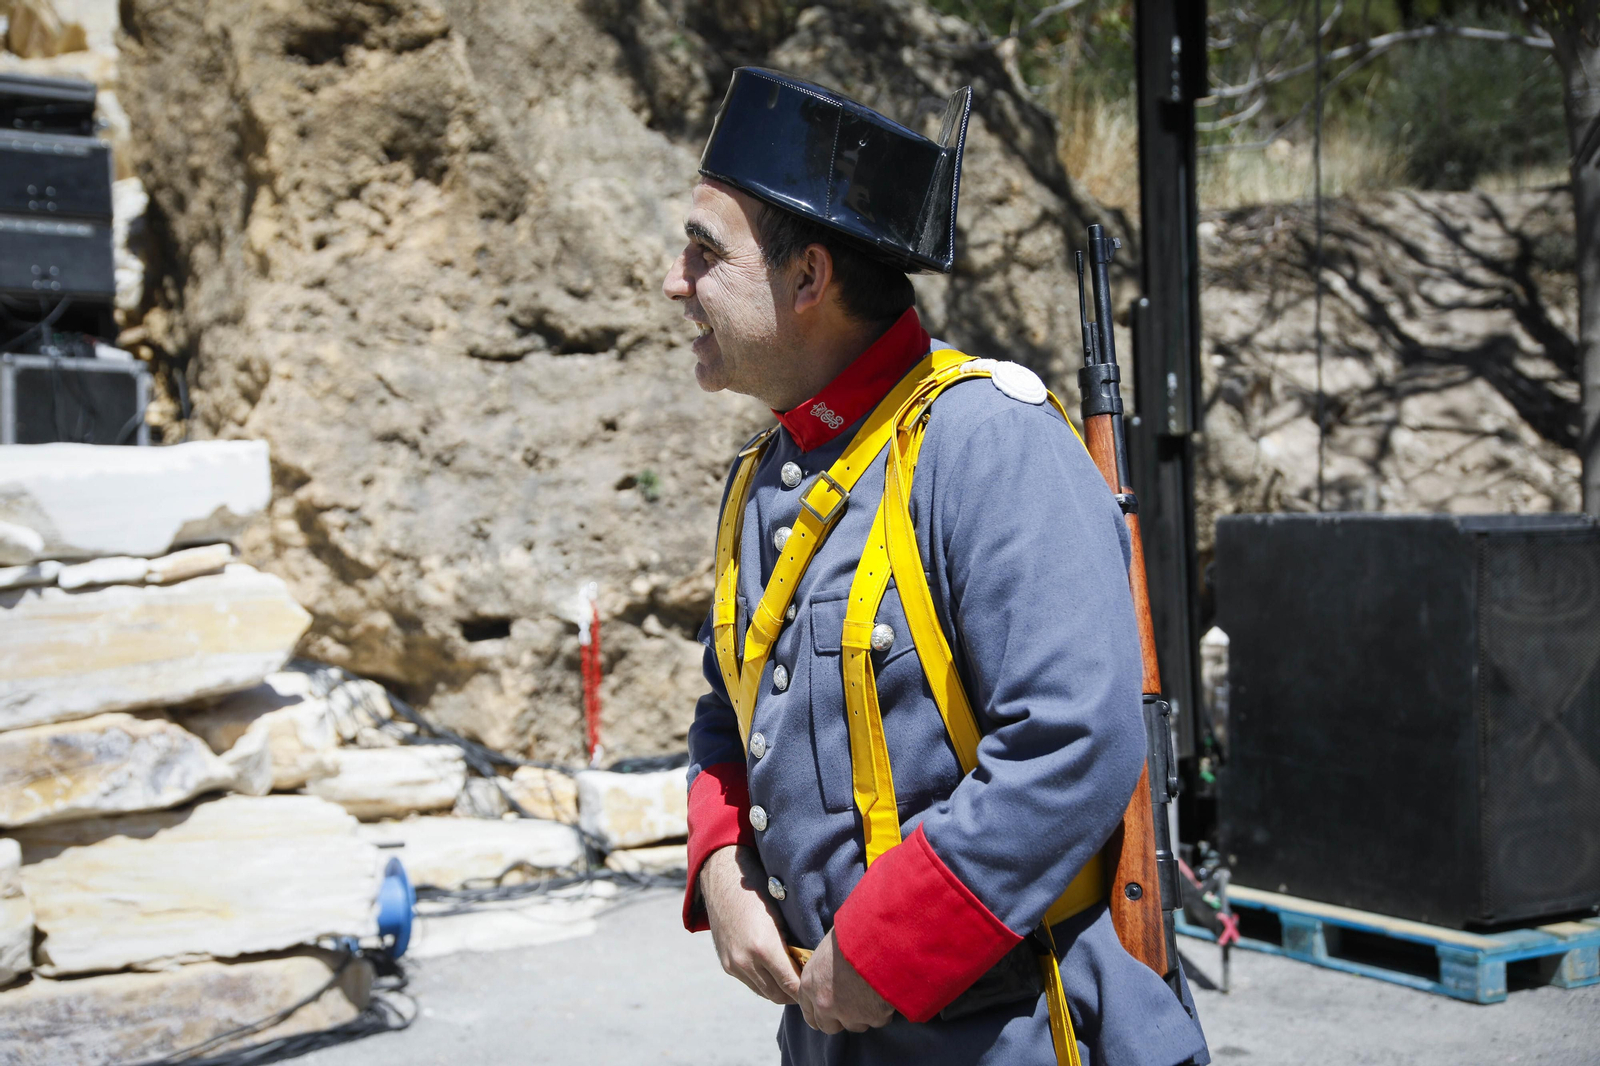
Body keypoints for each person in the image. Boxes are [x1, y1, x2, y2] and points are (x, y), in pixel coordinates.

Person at [661, 67, 1209, 1066]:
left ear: (808, 278)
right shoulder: (765, 477)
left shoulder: (983, 441)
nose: (674, 281)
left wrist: (883, 946)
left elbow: (1074, 739)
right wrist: (722, 869)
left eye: (704, 251)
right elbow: (724, 711)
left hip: (1018, 1031)